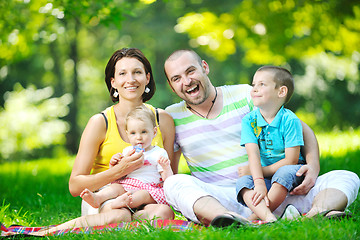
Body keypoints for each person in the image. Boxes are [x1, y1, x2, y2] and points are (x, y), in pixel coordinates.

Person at [163, 49, 360, 227]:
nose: (186, 81)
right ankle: (229, 218)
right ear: (172, 86)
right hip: (220, 199)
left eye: (190, 71)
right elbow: (168, 169)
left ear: (204, 67)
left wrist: (313, 167)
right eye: (176, 78)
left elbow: (302, 129)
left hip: (272, 191)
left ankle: (316, 213)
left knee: (346, 177)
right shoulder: (170, 117)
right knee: (174, 183)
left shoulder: (244, 95)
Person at [27, 48, 176, 236]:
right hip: (107, 198)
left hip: (147, 197)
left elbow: (170, 176)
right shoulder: (100, 122)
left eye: (137, 72)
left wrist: (146, 197)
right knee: (118, 216)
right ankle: (55, 230)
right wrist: (118, 171)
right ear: (113, 82)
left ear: (147, 78)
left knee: (164, 213)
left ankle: (129, 223)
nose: (130, 79)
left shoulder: (163, 120)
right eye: (122, 73)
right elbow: (75, 186)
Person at [236, 66, 306, 222]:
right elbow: (252, 154)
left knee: (284, 173)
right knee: (243, 183)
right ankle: (268, 217)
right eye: (254, 84)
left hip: (291, 171)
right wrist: (259, 181)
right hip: (265, 176)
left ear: (281, 92)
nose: (254, 89)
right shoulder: (249, 121)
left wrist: (261, 172)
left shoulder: (290, 120)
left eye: (262, 84)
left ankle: (253, 218)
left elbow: (291, 160)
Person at [80, 105, 173, 211]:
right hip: (127, 185)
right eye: (133, 133)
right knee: (115, 188)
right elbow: (119, 174)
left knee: (142, 194)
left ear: (154, 132)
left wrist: (166, 168)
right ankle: (98, 198)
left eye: (144, 132)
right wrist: (114, 164)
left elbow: (168, 181)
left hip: (148, 189)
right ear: (128, 135)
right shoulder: (127, 152)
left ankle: (125, 204)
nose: (138, 137)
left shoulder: (158, 153)